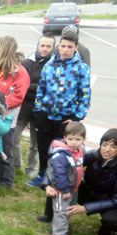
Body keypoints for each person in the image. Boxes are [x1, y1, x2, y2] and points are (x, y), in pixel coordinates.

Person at [33, 29, 90, 194]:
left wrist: (76, 118)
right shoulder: (50, 65)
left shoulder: (81, 69)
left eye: (69, 47)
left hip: (66, 119)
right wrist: (38, 110)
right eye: (63, 46)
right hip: (45, 115)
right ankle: (43, 177)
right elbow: (41, 89)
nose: (65, 50)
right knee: (44, 149)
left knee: (63, 151)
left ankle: (60, 181)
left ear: (75, 48)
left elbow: (85, 96)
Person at [0, 35, 30, 189]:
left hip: (6, 117)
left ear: (4, 49)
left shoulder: (20, 72)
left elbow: (18, 96)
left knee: (5, 147)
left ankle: (6, 180)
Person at [16, 33, 55, 184]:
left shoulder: (53, 65)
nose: (44, 49)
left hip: (40, 111)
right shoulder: (26, 63)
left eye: (48, 46)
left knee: (35, 144)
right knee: (14, 138)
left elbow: (50, 88)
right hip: (23, 107)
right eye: (42, 45)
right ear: (37, 45)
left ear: (52, 47)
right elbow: (21, 84)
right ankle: (16, 165)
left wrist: (31, 86)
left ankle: (31, 169)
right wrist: (37, 87)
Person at [67, 128, 117, 235]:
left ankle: (106, 229)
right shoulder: (93, 155)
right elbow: (69, 166)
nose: (107, 149)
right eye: (105, 145)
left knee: (112, 221)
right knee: (63, 183)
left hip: (110, 202)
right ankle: (53, 216)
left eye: (114, 147)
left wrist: (85, 208)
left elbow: (115, 200)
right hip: (90, 193)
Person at [43, 122, 86, 235]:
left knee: (68, 210)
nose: (74, 142)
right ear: (65, 138)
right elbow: (59, 173)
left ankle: (61, 226)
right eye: (71, 139)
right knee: (61, 211)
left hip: (74, 188)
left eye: (78, 139)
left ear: (84, 140)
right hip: (63, 190)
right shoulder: (61, 154)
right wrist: (64, 189)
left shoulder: (81, 150)